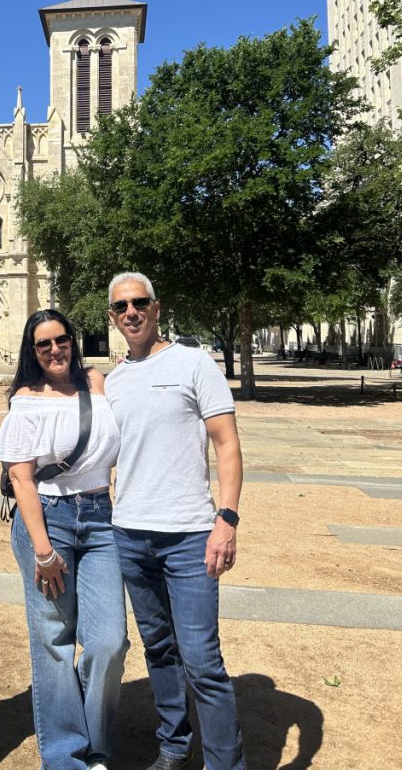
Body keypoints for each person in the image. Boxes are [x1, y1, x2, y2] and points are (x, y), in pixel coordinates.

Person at [105, 272, 246, 770]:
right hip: (131, 535)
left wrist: (225, 519)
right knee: (159, 650)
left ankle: (224, 764)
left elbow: (227, 444)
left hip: (190, 535)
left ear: (156, 307)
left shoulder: (193, 363)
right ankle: (173, 744)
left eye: (139, 303)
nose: (131, 313)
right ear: (112, 317)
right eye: (121, 307)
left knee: (203, 662)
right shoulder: (114, 379)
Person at [0, 309, 128, 770]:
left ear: (73, 339)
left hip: (101, 518)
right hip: (47, 523)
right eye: (43, 344)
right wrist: (44, 551)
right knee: (54, 641)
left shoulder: (98, 382)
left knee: (109, 641)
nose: (54, 349)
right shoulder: (26, 398)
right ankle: (67, 757)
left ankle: (96, 743)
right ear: (32, 352)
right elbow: (21, 477)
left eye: (61, 339)